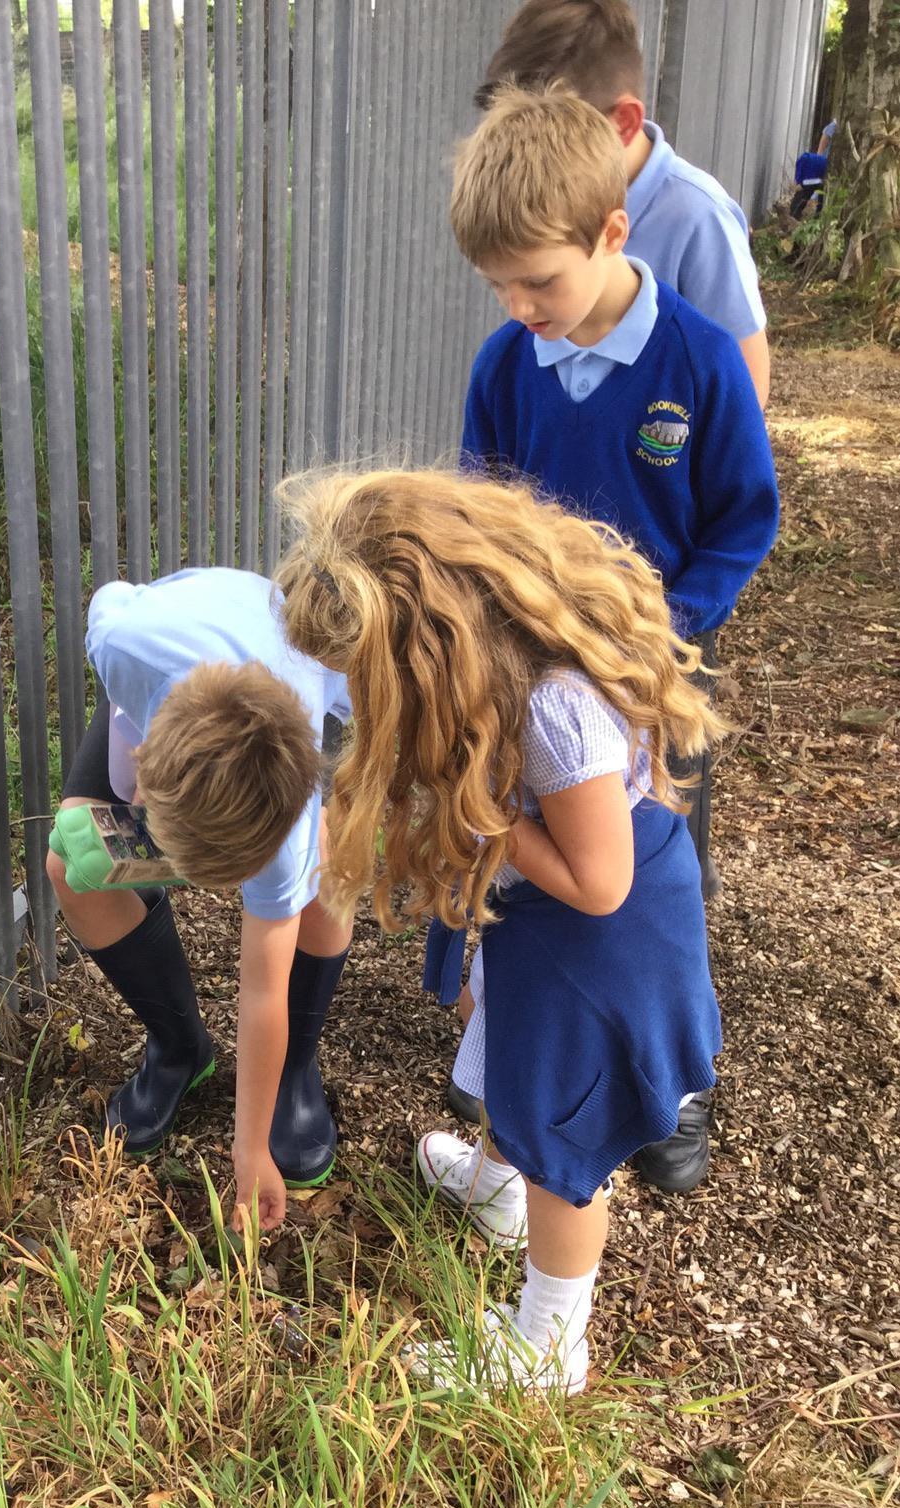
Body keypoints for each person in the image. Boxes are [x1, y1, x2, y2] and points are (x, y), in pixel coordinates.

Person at [276, 467, 725, 1396]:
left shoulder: (553, 708)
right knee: (502, 1035)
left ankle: (549, 1344)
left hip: (605, 939)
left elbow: (601, 882)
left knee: (565, 1135)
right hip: (545, 916)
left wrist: (482, 814)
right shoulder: (494, 676)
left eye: (366, 670)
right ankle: (494, 1186)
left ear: (429, 639)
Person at [450, 83, 779, 1191]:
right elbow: (479, 517)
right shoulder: (505, 367)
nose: (519, 306)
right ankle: (514, 1049)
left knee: (651, 871)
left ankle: (670, 1084)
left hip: (654, 674)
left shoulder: (696, 360)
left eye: (537, 281)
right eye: (498, 285)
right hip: (534, 680)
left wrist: (660, 636)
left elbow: (744, 517)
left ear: (609, 232)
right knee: (526, 847)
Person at [46, 568, 354, 1232]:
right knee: (71, 859)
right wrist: (130, 765)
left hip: (299, 683)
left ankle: (295, 1068)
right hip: (168, 677)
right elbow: (111, 595)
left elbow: (262, 990)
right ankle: (179, 1047)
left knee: (328, 871)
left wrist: (250, 1148)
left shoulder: (289, 822)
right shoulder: (120, 639)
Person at [480, 0, 771, 407]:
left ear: (624, 122)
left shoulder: (699, 217)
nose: (532, 152)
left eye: (560, 130)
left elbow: (744, 390)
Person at [791, 120, 837, 220]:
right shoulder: (833, 127)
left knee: (808, 194)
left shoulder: (834, 127)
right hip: (820, 170)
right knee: (811, 194)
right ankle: (803, 215)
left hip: (818, 170)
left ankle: (798, 215)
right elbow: (823, 142)